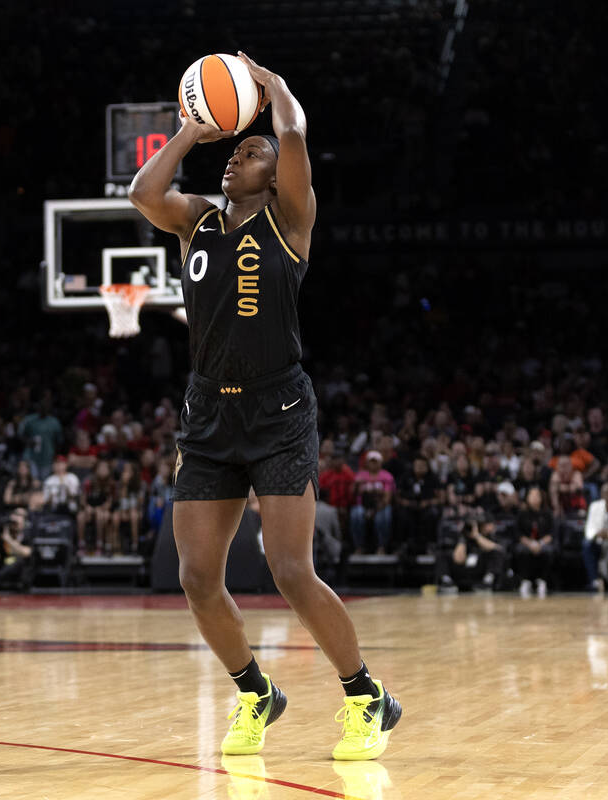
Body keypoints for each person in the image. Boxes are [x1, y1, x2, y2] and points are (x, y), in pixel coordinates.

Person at [128, 51, 400, 760]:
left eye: (251, 153)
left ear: (274, 175)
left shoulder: (290, 220)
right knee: (195, 577)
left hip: (279, 412)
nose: (236, 158)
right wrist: (192, 129)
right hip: (210, 417)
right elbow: (141, 194)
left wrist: (274, 87)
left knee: (288, 569)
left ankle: (367, 695)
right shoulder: (196, 222)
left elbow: (297, 138)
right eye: (235, 150)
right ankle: (256, 691)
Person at [349, 451, 396, 555]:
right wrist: (356, 485)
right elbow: (352, 494)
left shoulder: (386, 476)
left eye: (376, 462)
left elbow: (387, 498)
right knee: (356, 515)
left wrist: (379, 504)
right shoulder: (360, 475)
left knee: (384, 516)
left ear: (380, 462)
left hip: (380, 505)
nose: (373, 464)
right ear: (367, 463)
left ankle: (381, 546)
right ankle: (359, 547)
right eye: (371, 462)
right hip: (362, 505)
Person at [513, 488, 556, 597]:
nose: (534, 498)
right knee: (521, 550)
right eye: (531, 495)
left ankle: (543, 581)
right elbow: (518, 533)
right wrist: (530, 544)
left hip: (543, 543)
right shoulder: (522, 514)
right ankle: (525, 581)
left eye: (537, 495)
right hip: (527, 543)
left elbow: (552, 533)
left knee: (549, 551)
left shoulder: (547, 514)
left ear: (541, 498)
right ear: (527, 498)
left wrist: (540, 543)